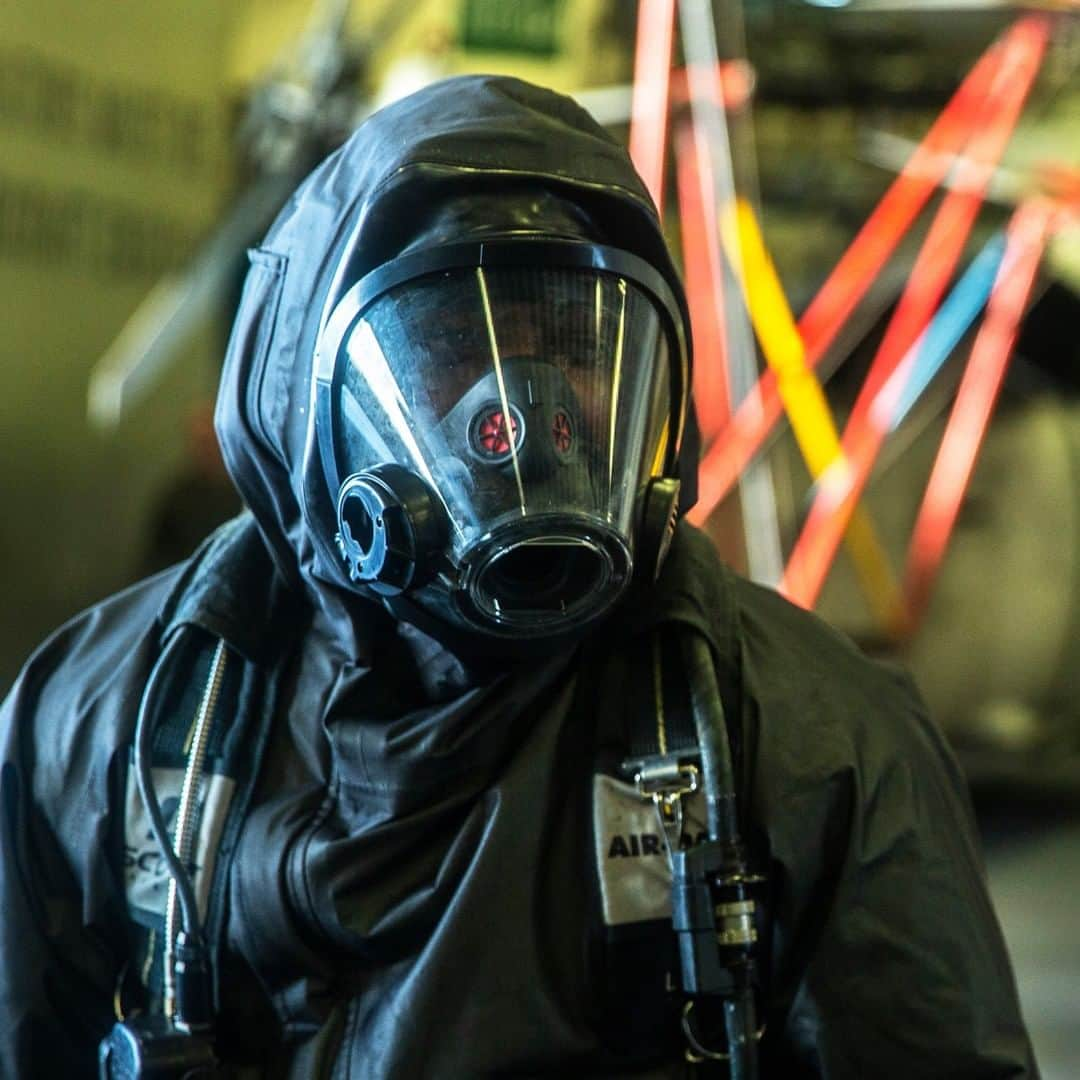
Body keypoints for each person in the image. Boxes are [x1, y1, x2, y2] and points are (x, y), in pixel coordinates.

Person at [0, 75, 1036, 1079]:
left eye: (575, 348)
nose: (523, 421)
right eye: (454, 345)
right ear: (301, 398)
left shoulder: (814, 745)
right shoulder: (108, 724)